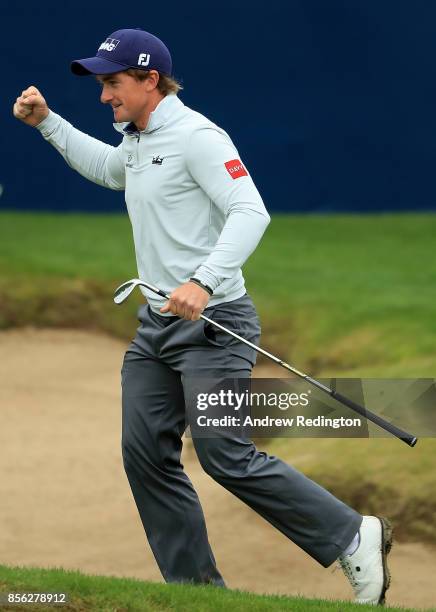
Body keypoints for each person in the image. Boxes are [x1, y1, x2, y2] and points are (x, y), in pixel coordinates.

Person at [13, 28, 393, 605]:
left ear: (149, 80)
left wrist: (202, 280)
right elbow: (111, 170)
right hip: (156, 328)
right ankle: (197, 593)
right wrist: (47, 122)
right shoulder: (138, 140)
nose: (104, 96)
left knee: (223, 451)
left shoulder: (198, 137)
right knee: (145, 454)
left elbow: (250, 210)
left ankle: (351, 534)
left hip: (216, 325)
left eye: (112, 83)